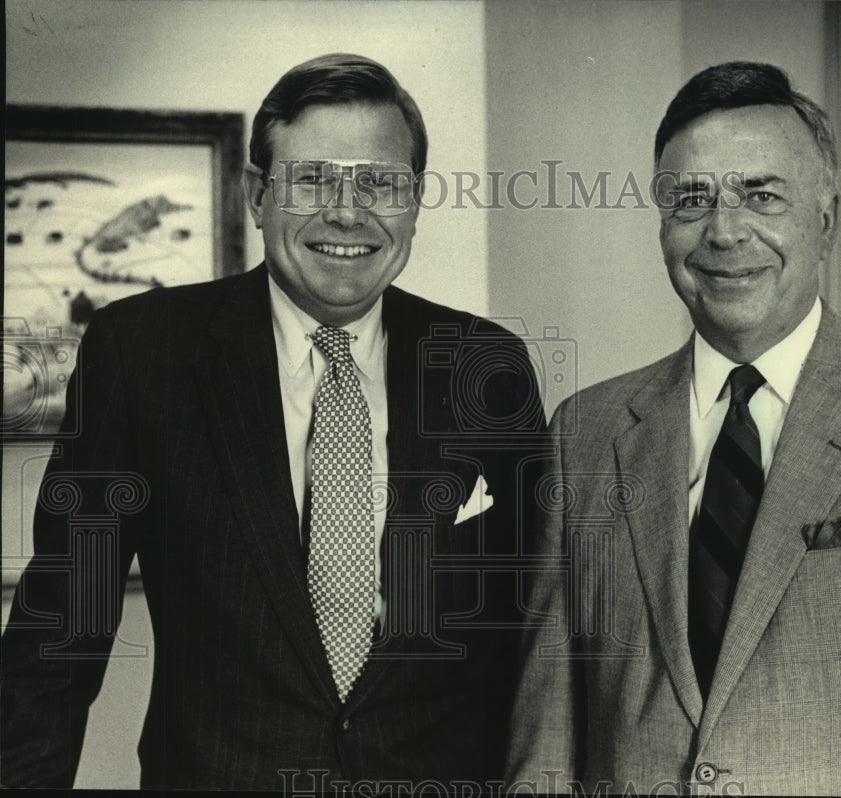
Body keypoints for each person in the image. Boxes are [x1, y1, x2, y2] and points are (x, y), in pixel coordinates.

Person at [1, 53, 545, 789]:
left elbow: (532, 634)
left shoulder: (487, 364)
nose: (348, 213)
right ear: (258, 193)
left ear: (414, 200)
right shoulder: (145, 352)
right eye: (314, 178)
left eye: (381, 183)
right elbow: (62, 629)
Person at [507, 62, 841, 796]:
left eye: (761, 194)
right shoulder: (585, 433)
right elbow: (545, 732)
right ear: (663, 226)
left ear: (824, 217)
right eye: (692, 200)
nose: (725, 231)